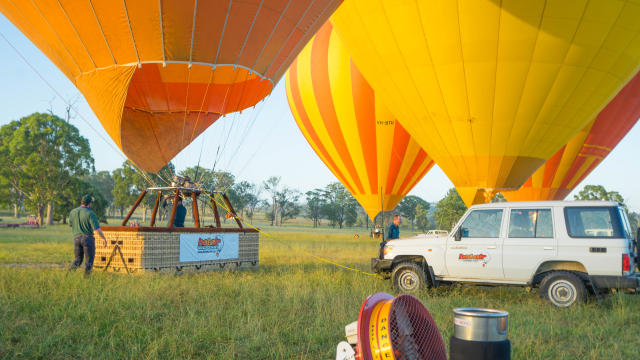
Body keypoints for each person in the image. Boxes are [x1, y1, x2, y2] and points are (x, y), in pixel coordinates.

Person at [69, 195, 106, 275]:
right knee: (89, 262)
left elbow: (70, 226)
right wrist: (103, 239)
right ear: (89, 203)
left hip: (76, 239)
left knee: (78, 260)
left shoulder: (73, 212)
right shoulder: (90, 213)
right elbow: (96, 229)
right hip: (88, 239)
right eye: (91, 203)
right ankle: (87, 280)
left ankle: (68, 276)